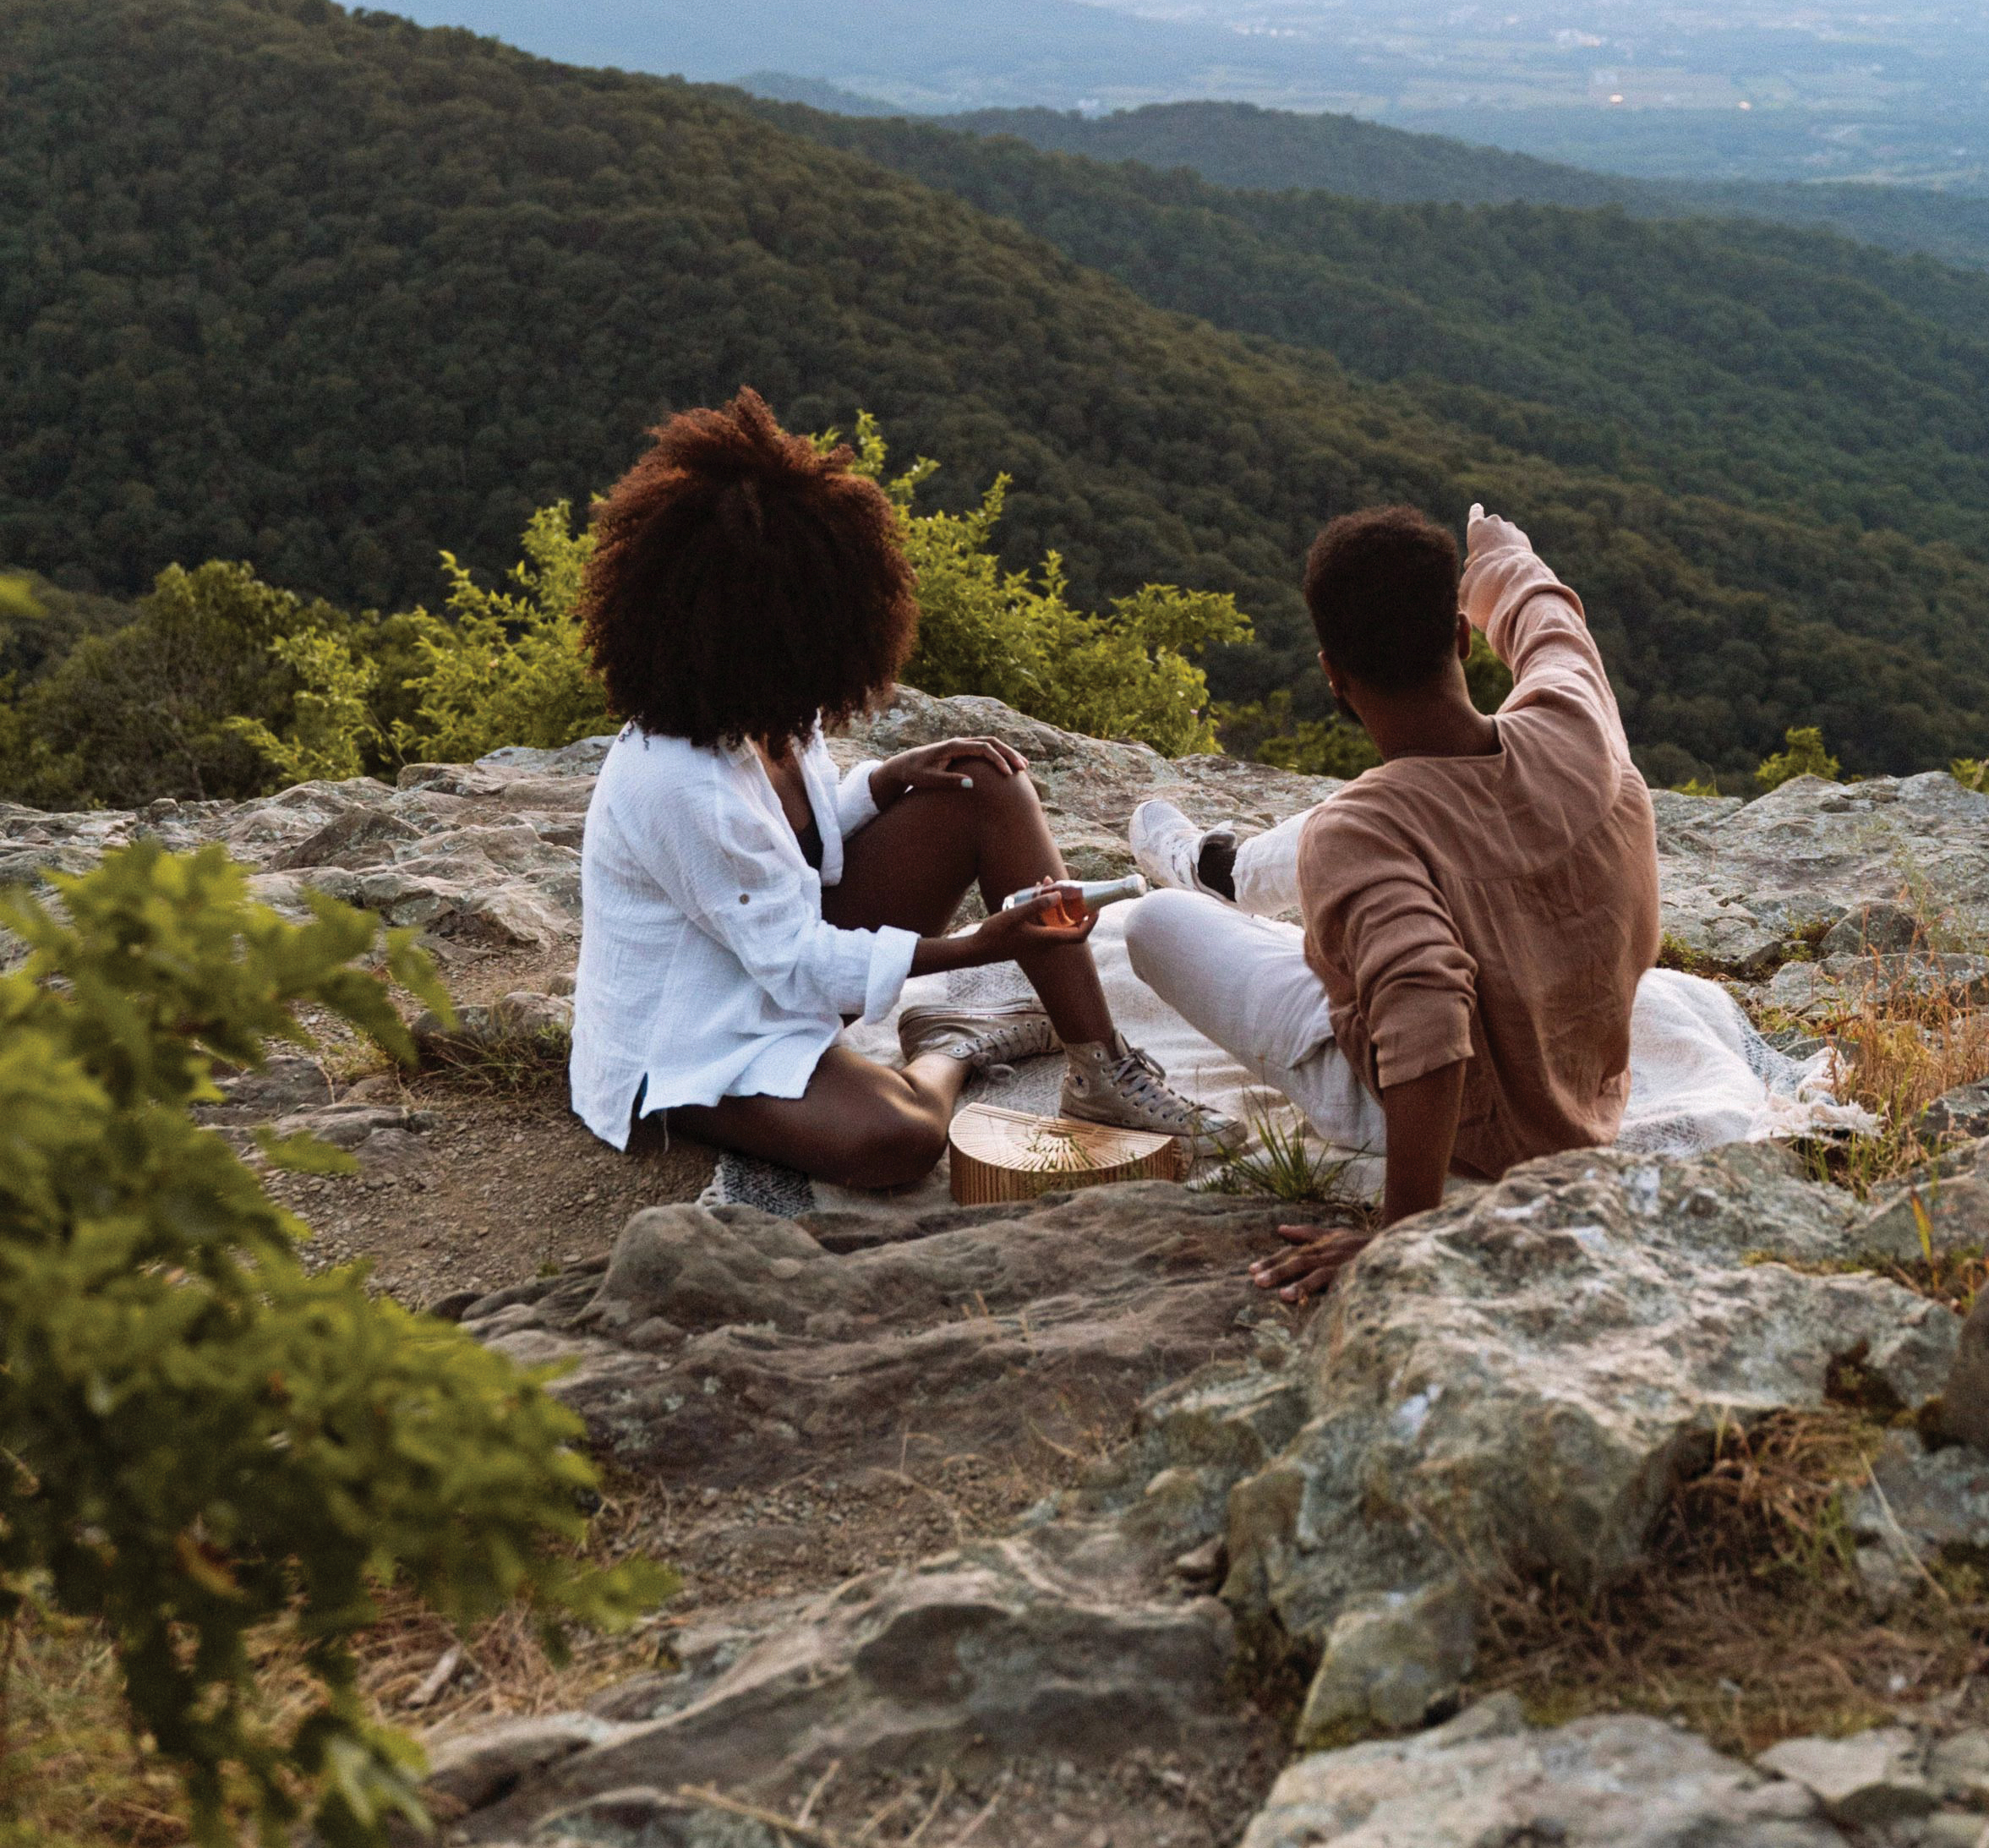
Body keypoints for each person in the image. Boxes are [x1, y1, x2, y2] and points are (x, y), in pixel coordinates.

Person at [568, 387, 1226, 1187]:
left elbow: (792, 846)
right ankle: (955, 1043)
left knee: (983, 781)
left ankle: (1101, 1070)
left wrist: (883, 782)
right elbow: (792, 962)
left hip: (778, 968)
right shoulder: (678, 781)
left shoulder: (767, 708)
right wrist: (976, 948)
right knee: (900, 1140)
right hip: (696, 1037)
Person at [1123, 502, 1660, 1299]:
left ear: (1332, 676)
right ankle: (1225, 874)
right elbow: (1553, 631)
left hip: (1453, 1134)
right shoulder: (1573, 722)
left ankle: (1214, 877)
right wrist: (1502, 559)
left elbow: (1428, 1012)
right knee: (1368, 830)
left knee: (1155, 923)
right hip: (1577, 1085)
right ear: (1459, 641)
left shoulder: (1360, 832)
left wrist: (1401, 1233)